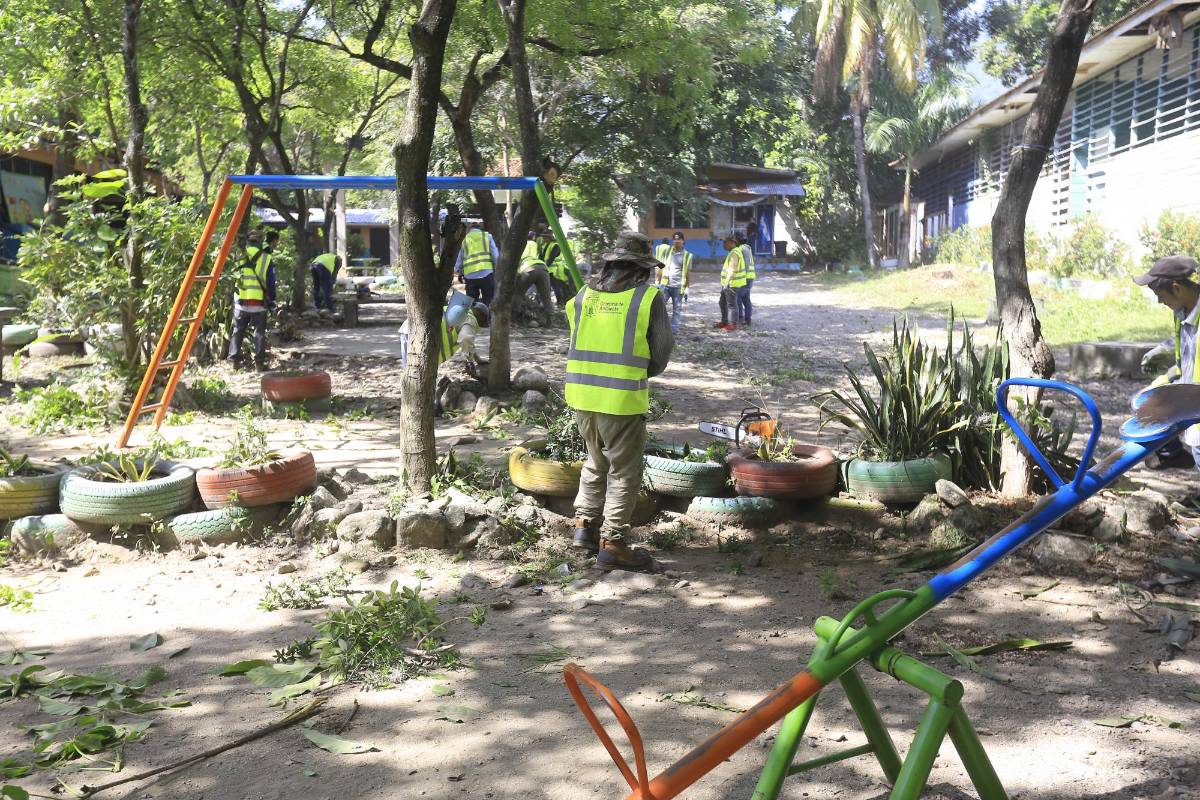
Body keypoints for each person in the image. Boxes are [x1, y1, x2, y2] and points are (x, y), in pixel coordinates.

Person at [566, 230, 674, 572]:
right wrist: (638, 371)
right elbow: (661, 352)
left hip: (582, 395)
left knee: (595, 461)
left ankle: (583, 527)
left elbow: (578, 339)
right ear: (641, 268)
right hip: (621, 399)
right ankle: (612, 543)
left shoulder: (583, 296)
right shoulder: (647, 298)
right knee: (625, 472)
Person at [1134, 255, 1200, 470]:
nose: (1160, 301)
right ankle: (1172, 453)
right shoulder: (1181, 312)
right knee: (1141, 401)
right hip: (1190, 392)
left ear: (1177, 288)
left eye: (1160, 295)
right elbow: (1186, 355)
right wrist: (1163, 376)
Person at [228, 229, 278, 370]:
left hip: (241, 301)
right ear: (261, 241)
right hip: (259, 302)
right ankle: (259, 364)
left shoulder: (238, 255)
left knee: (238, 331)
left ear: (248, 240)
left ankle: (233, 362)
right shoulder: (266, 258)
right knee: (259, 333)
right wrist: (272, 299)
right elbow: (270, 282)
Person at [655, 231, 692, 334]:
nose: (676, 241)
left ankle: (673, 330)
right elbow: (660, 267)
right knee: (659, 307)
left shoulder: (687, 255)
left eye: (679, 239)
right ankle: (658, 327)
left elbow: (688, 273)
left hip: (678, 287)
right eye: (675, 239)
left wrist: (687, 288)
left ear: (683, 241)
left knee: (677, 310)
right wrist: (657, 281)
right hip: (665, 285)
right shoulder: (667, 252)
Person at [455, 221, 498, 306]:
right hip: (486, 273)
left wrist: (459, 273)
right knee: (488, 299)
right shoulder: (487, 236)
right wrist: (497, 269)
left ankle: (475, 318)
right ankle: (488, 318)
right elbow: (495, 255)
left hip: (470, 276)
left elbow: (460, 258)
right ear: (480, 229)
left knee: (472, 302)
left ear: (470, 230)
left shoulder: (465, 240)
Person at [517, 231, 554, 323]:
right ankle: (549, 321)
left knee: (518, 294)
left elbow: (517, 274)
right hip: (543, 267)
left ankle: (516, 317)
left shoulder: (520, 252)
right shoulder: (534, 246)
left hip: (528, 268)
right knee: (546, 296)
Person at [716, 235, 746, 332]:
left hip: (732, 284)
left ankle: (732, 324)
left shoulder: (734, 253)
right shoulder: (732, 252)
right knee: (722, 302)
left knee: (731, 305)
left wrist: (726, 283)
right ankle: (724, 321)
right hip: (729, 284)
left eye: (726, 243)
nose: (724, 245)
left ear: (732, 243)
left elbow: (732, 269)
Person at [539, 231, 571, 307]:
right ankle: (560, 302)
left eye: (545, 237)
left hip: (555, 270)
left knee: (557, 287)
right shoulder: (546, 245)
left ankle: (561, 302)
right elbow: (542, 257)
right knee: (554, 287)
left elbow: (551, 258)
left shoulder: (555, 245)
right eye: (543, 237)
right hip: (549, 270)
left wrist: (544, 266)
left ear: (549, 237)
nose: (543, 238)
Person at [736, 231, 755, 327]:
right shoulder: (745, 248)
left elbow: (746, 263)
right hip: (748, 277)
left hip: (746, 278)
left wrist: (742, 276)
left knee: (738, 297)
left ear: (738, 239)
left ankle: (741, 318)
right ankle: (747, 319)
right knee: (745, 298)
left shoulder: (743, 249)